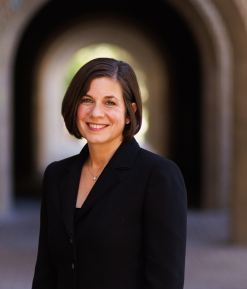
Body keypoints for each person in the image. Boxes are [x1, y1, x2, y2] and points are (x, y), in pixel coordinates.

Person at [32, 58, 187, 289]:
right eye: (87, 100)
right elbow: (45, 273)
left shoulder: (158, 177)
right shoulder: (56, 176)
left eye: (110, 103)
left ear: (129, 113)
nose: (96, 112)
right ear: (75, 105)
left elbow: (165, 282)